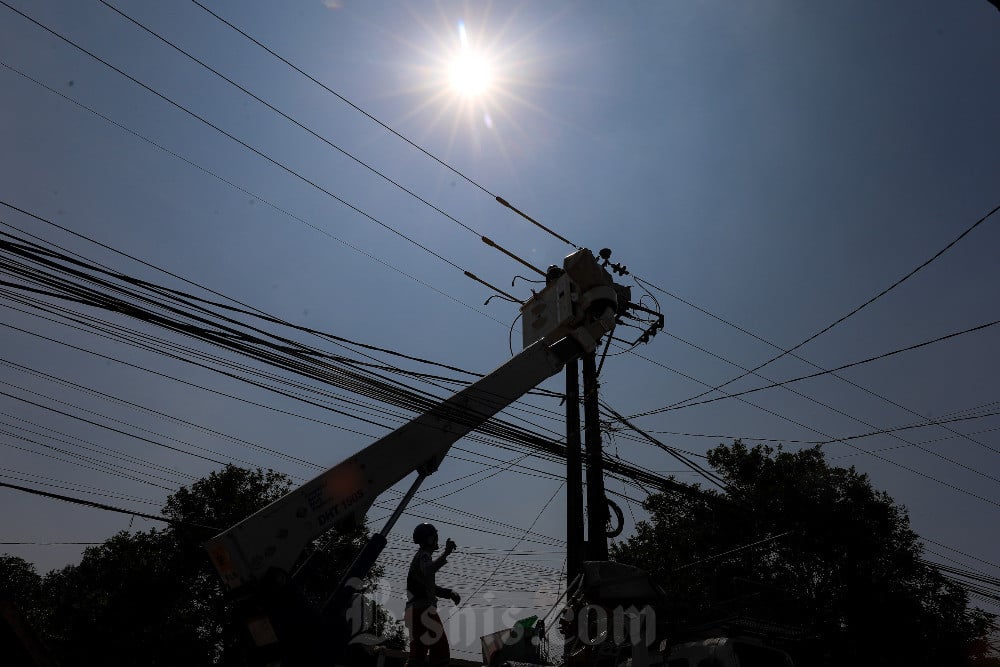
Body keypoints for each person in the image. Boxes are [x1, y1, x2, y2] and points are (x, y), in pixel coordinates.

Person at [404, 522, 461, 666]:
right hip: (423, 610)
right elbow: (429, 570)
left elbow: (428, 587)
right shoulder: (424, 555)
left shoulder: (419, 557)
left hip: (414, 611)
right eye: (435, 537)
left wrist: (449, 593)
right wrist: (446, 553)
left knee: (418, 654)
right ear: (429, 539)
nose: (437, 540)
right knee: (441, 652)